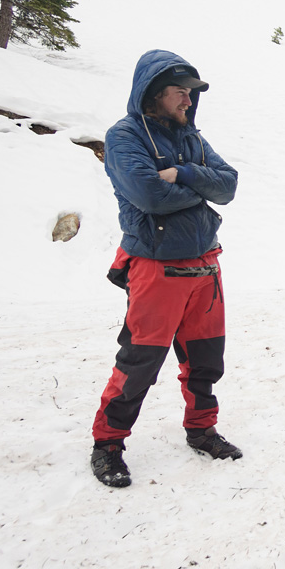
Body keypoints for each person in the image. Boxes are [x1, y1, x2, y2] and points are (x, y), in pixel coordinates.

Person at [89, 49, 242, 488]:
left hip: (205, 266)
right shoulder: (125, 136)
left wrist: (182, 173)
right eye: (181, 92)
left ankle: (202, 430)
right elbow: (150, 197)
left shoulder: (192, 137)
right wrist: (199, 185)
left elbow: (228, 185)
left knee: (206, 361)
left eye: (191, 94)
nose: (188, 101)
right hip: (156, 269)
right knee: (140, 363)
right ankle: (108, 444)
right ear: (154, 94)